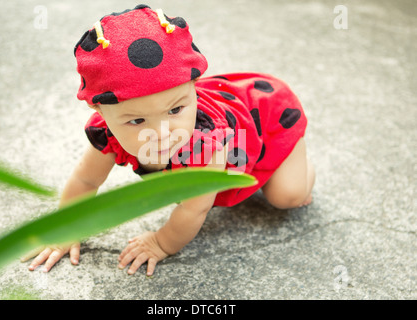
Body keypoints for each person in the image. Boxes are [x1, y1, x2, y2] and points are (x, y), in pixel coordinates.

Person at [20, 5, 315, 276]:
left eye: (176, 109)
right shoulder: (107, 133)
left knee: (288, 196)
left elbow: (193, 208)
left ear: (194, 85)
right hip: (226, 134)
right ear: (99, 109)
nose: (162, 132)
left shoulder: (208, 144)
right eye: (137, 120)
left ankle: (296, 160)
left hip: (267, 116)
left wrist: (161, 243)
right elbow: (86, 182)